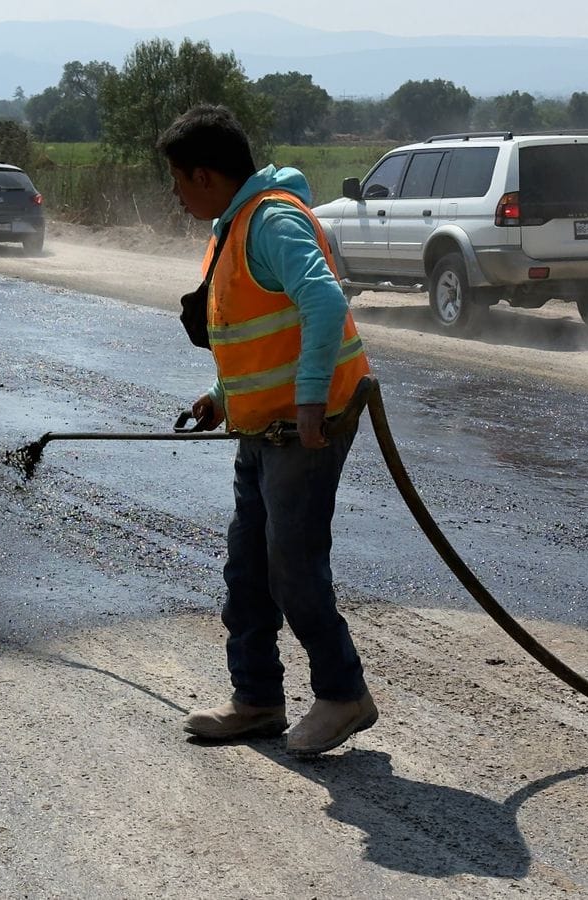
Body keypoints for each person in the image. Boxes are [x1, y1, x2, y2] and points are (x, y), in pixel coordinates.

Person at [159, 104, 377, 756]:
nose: (173, 194)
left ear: (203, 174)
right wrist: (222, 396)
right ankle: (256, 701)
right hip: (264, 428)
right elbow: (262, 334)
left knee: (292, 567)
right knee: (247, 570)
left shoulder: (271, 221)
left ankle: (344, 695)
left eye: (176, 180)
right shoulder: (236, 225)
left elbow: (324, 300)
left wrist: (310, 402)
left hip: (304, 429)